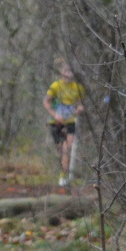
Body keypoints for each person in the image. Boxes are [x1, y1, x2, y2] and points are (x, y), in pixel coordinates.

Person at [43, 57, 85, 190]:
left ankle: (64, 176)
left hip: (70, 121)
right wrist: (55, 115)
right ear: (61, 72)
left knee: (68, 148)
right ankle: (61, 171)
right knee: (60, 150)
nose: (69, 74)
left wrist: (79, 109)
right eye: (66, 71)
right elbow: (46, 102)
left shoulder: (78, 88)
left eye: (71, 71)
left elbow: (80, 104)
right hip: (56, 122)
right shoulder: (56, 86)